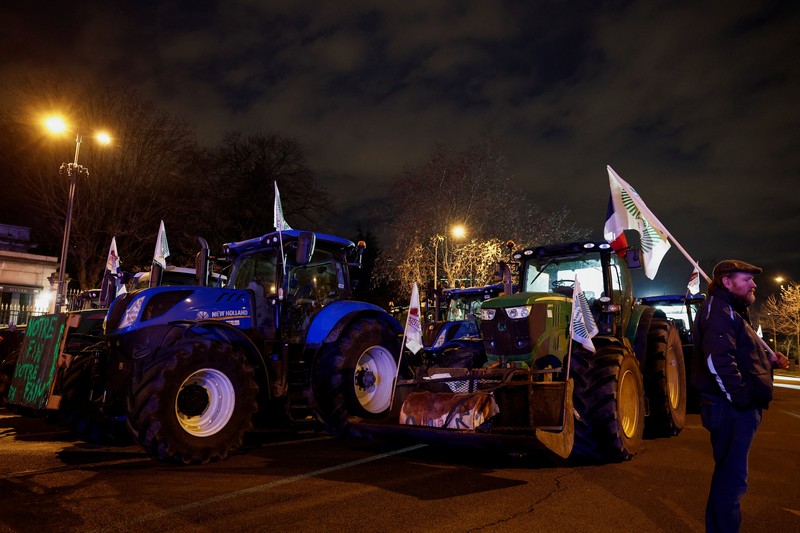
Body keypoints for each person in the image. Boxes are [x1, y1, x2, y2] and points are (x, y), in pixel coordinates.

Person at [692, 259, 790, 533]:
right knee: (731, 480)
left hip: (734, 407)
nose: (753, 284)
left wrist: (768, 362)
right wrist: (743, 400)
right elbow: (718, 361)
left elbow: (741, 356)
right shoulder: (719, 311)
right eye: (746, 279)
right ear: (727, 281)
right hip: (730, 409)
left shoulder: (731, 311)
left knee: (732, 478)